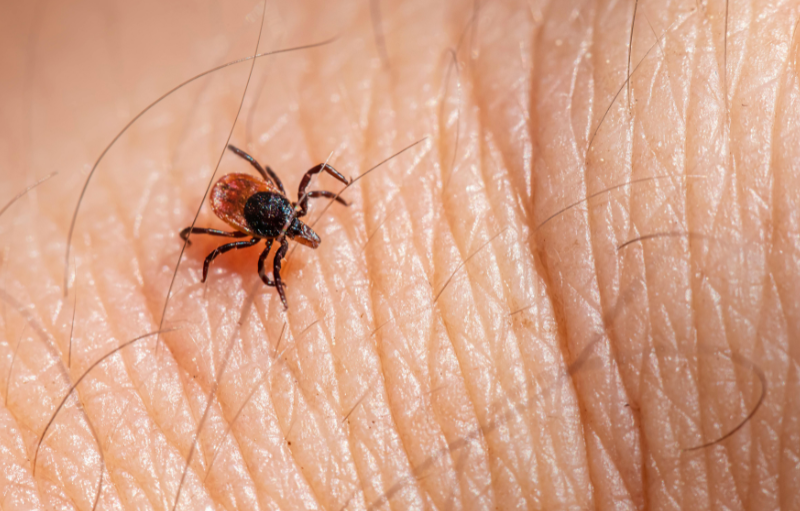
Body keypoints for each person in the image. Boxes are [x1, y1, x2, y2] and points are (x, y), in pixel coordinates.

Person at [0, 0, 792, 508]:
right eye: (289, 227)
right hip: (234, 194)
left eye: (294, 220)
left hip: (238, 186)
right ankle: (201, 241)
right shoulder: (257, 228)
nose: (291, 229)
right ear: (274, 222)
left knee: (247, 217)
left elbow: (288, 187)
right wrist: (252, 268)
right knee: (215, 244)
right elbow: (252, 242)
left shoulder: (275, 208)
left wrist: (321, 206)